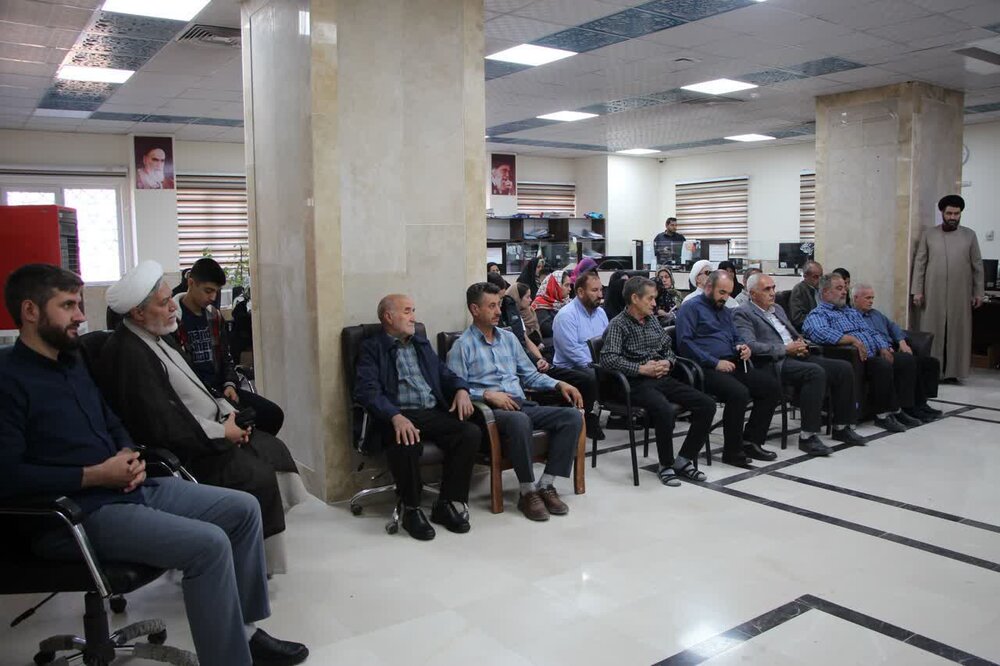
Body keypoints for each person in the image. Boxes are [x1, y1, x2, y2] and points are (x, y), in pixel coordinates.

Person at [0, 264, 308, 666]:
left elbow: (111, 419)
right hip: (75, 513)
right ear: (30, 311)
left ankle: (244, 632)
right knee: (209, 544)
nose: (80, 315)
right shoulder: (8, 379)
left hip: (126, 485)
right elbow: (8, 475)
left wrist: (128, 455)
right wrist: (95, 475)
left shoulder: (72, 362)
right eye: (68, 305)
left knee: (243, 509)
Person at [95, 261, 308, 574]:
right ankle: (251, 563)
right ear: (138, 313)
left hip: (209, 424)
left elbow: (197, 387)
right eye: (164, 303)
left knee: (273, 448)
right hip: (188, 450)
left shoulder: (157, 334)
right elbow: (163, 423)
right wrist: (224, 432)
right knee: (257, 475)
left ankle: (253, 548)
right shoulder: (130, 355)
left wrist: (229, 414)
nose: (173, 307)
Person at [447, 282, 584, 522]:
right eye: (491, 306)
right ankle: (527, 492)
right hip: (489, 413)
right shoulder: (462, 346)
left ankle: (546, 485)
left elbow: (530, 375)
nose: (498, 311)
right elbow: (455, 389)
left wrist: (558, 384)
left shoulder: (509, 339)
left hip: (520, 404)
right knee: (519, 420)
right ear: (475, 310)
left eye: (499, 304)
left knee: (572, 417)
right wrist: (487, 394)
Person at [353, 294, 479, 541]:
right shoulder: (372, 348)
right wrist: (395, 415)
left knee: (469, 433)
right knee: (405, 440)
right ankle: (410, 509)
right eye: (407, 311)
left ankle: (445, 503)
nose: (414, 317)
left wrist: (461, 389)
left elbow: (444, 374)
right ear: (389, 317)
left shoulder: (420, 343)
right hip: (396, 415)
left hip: (430, 412)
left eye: (413, 311)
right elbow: (367, 391)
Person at [601, 277, 716, 486]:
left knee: (707, 405)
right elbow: (608, 359)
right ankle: (666, 464)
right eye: (650, 298)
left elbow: (668, 348)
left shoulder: (652, 320)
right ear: (635, 298)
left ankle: (684, 460)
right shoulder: (618, 324)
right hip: (634, 382)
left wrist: (668, 362)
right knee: (664, 410)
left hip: (661, 377)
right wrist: (640, 369)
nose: (654, 303)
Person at [734, 273, 863, 456]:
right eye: (767, 289)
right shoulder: (743, 312)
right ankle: (808, 436)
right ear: (752, 294)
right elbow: (752, 346)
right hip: (775, 362)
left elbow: (793, 334)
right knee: (815, 372)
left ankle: (842, 427)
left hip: (797, 355)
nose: (772, 293)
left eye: (773, 288)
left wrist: (802, 344)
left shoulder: (777, 308)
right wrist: (786, 349)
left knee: (843, 368)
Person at [676, 270, 781, 468]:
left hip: (731, 362)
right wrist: (714, 362)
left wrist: (743, 347)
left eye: (728, 293)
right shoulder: (690, 308)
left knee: (770, 387)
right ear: (708, 287)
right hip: (704, 368)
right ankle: (732, 451)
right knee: (738, 393)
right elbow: (685, 344)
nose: (725, 298)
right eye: (721, 292)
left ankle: (751, 441)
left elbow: (736, 337)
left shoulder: (725, 311)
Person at [174, 257, 285, 436]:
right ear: (191, 283)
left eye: (216, 291)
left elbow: (226, 356)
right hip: (197, 397)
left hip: (222, 390)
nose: (213, 297)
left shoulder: (214, 316)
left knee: (272, 415)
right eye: (208, 291)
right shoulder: (173, 321)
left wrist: (230, 384)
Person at [802, 274, 922, 433]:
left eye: (844, 288)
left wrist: (883, 347)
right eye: (839, 288)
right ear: (825, 292)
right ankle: (883, 415)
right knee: (882, 366)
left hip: (873, 353)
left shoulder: (850, 312)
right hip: (855, 359)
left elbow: (870, 331)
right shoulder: (818, 314)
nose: (844, 292)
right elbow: (820, 333)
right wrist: (852, 339)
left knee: (906, 360)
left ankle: (903, 409)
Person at [911, 194, 985, 381]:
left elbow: (977, 266)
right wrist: (917, 290)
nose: (953, 217)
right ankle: (931, 373)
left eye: (956, 214)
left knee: (957, 331)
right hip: (932, 291)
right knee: (932, 329)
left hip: (960, 292)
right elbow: (920, 263)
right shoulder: (929, 234)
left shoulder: (969, 235)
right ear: (942, 213)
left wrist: (978, 292)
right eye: (949, 213)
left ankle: (954, 373)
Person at [853, 283, 943, 423]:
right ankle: (909, 407)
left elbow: (893, 327)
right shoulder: (853, 317)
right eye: (867, 298)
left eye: (872, 298)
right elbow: (864, 337)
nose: (871, 301)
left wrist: (901, 341)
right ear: (855, 298)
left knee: (929, 363)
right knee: (909, 361)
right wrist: (882, 347)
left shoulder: (876, 314)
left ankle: (921, 403)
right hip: (879, 352)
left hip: (892, 347)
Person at [551, 270, 609, 440]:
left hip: (596, 363)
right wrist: (597, 365)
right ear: (581, 292)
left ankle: (622, 413)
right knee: (592, 375)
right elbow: (572, 352)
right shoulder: (566, 316)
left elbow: (607, 343)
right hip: (569, 368)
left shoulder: (601, 313)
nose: (600, 295)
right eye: (595, 290)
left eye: (601, 290)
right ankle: (591, 420)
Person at [532, 269, 571, 338]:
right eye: (566, 285)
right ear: (556, 286)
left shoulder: (566, 302)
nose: (570, 289)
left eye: (569, 285)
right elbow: (547, 330)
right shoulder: (540, 305)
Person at [789, 260, 823, 330]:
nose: (820, 280)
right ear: (805, 276)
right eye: (815, 277)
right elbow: (798, 318)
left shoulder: (821, 288)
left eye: (821, 276)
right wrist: (820, 320)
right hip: (811, 326)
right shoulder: (799, 290)